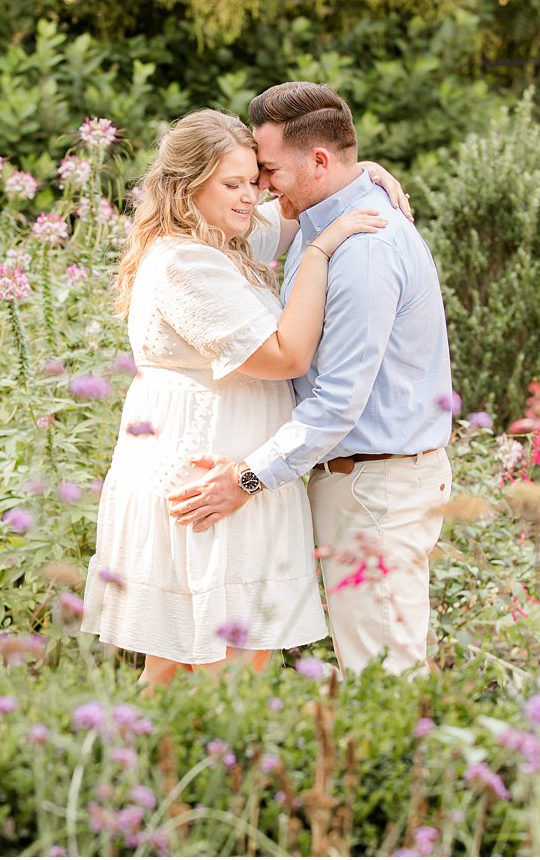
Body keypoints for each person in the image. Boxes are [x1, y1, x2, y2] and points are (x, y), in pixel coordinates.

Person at [80, 108, 411, 687]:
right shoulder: (185, 262)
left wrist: (359, 173)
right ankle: (195, 769)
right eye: (232, 184)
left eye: (253, 181)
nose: (249, 197)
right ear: (187, 188)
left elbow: (296, 207)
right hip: (209, 474)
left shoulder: (220, 233)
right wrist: (320, 251)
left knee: (179, 667)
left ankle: (125, 764)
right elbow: (287, 355)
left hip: (227, 469)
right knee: (226, 669)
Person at [166, 82, 453, 678]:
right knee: (380, 667)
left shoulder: (362, 249)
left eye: (268, 171)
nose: (263, 188)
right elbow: (227, 217)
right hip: (359, 482)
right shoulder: (326, 221)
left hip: (373, 487)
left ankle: (409, 774)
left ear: (319, 162)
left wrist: (245, 479)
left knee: (384, 678)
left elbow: (338, 400)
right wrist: (366, 171)